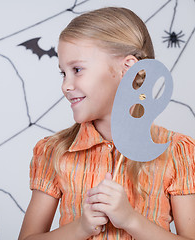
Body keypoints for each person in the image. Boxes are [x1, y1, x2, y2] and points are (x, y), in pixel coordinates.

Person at [18, 7, 195, 240]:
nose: (66, 85)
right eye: (63, 73)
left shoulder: (176, 151)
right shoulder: (54, 151)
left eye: (77, 69)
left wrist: (131, 220)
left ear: (128, 68)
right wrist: (80, 227)